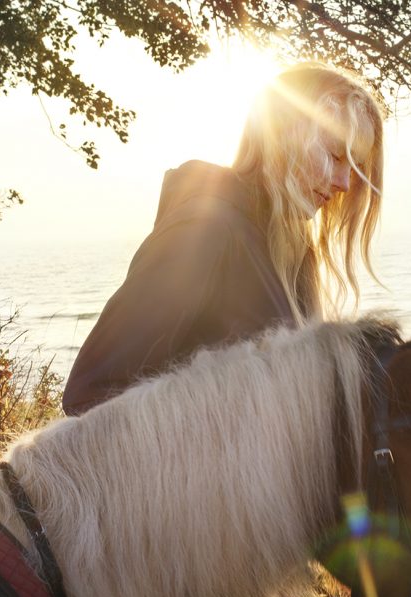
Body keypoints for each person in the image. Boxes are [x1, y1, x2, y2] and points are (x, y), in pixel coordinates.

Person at [62, 62, 386, 416]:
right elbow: (91, 393)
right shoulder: (205, 229)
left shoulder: (292, 249)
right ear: (282, 136)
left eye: (353, 167)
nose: (343, 183)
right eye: (336, 156)